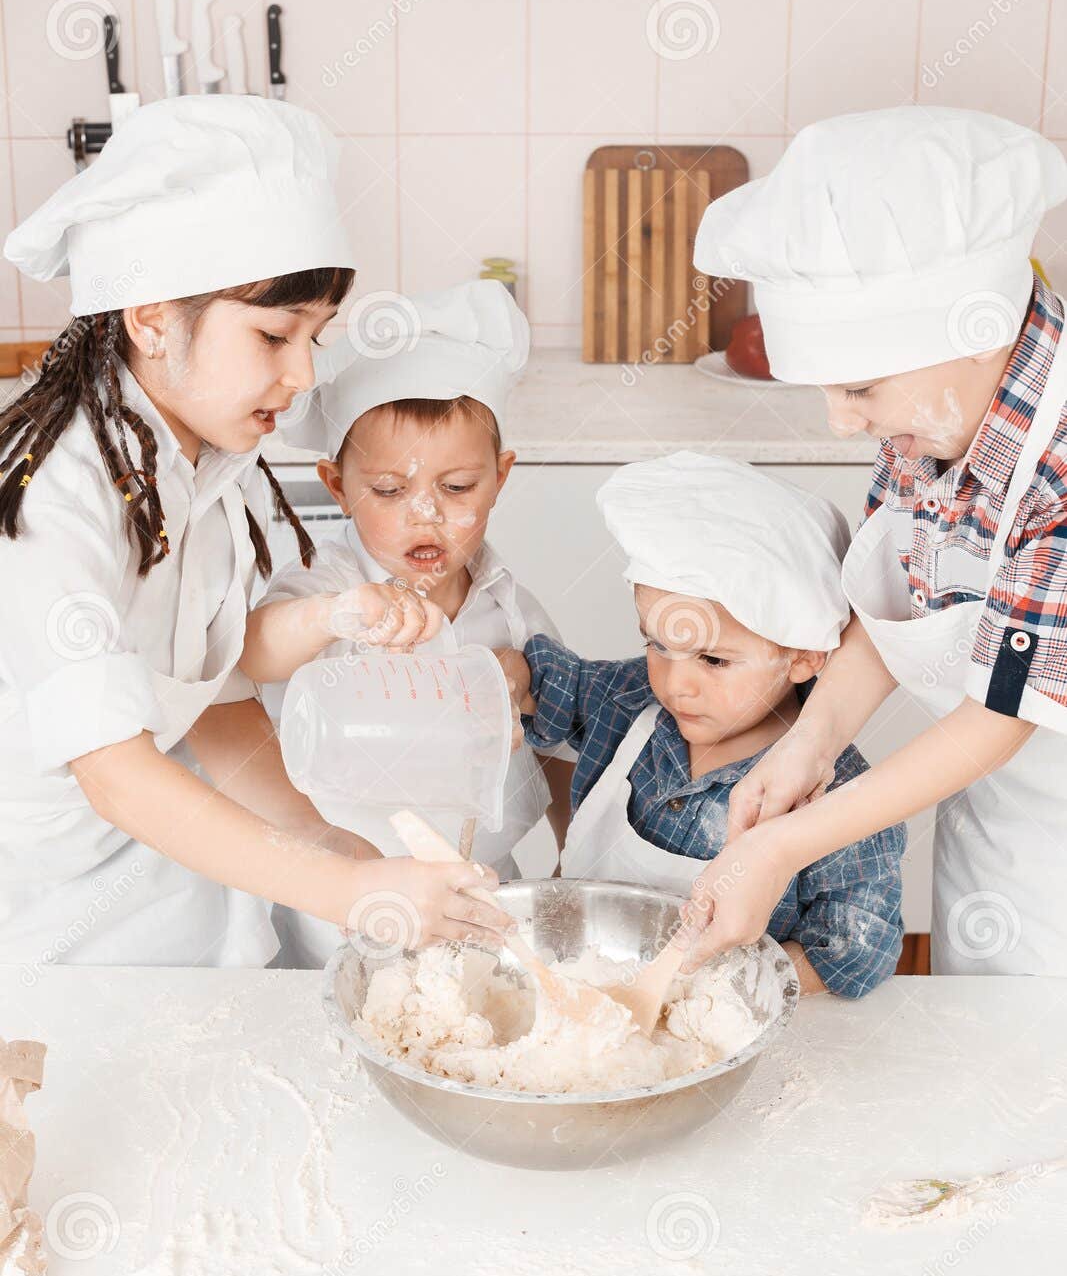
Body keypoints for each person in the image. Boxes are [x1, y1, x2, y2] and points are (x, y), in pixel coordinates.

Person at [0, 96, 512, 969]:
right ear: (152, 317)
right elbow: (116, 773)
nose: (305, 374)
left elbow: (217, 698)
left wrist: (325, 847)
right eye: (275, 334)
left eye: (315, 337)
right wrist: (348, 891)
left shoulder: (208, 465)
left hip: (179, 877)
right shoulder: (53, 500)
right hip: (56, 921)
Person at [683, 106, 1067, 977]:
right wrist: (807, 743)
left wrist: (778, 850)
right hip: (1001, 827)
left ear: (976, 334)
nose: (838, 420)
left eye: (857, 386)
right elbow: (895, 600)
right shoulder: (934, 419)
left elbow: (1004, 716)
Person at [241, 280, 574, 966]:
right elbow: (251, 652)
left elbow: (561, 744)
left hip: (481, 890)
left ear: (500, 476)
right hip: (345, 903)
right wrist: (333, 615)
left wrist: (573, 863)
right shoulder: (330, 584)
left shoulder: (512, 608)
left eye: (456, 488)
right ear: (337, 485)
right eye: (389, 491)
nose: (425, 514)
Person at [500, 452, 905, 996]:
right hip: (567, 994)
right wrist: (506, 677)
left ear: (806, 656)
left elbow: (855, 954)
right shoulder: (626, 702)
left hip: (715, 1025)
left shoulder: (845, 803)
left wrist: (716, 988)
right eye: (657, 644)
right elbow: (547, 684)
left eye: (714, 660)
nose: (676, 684)